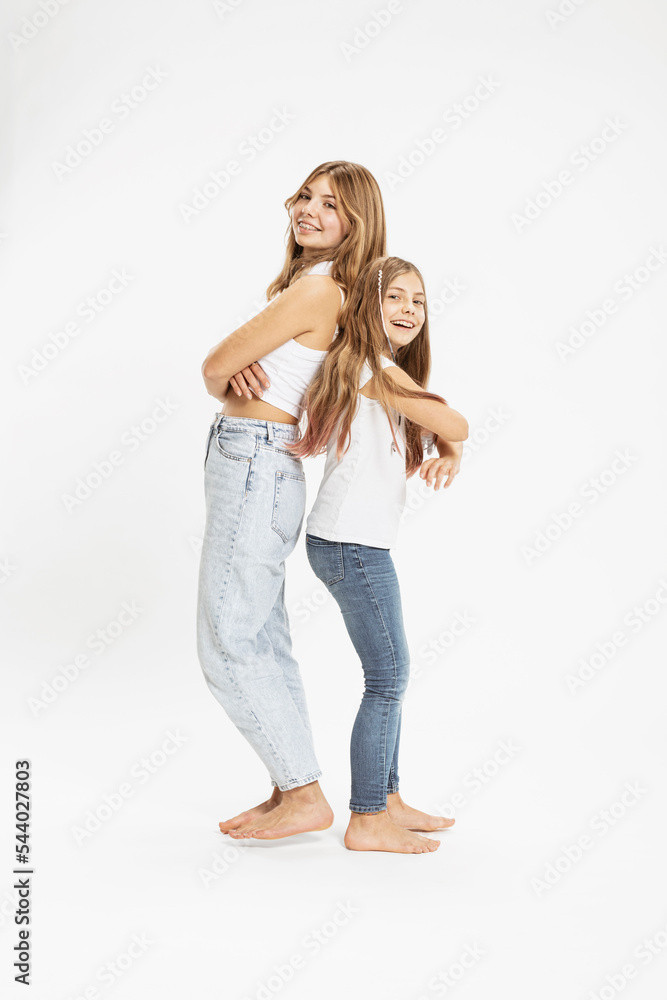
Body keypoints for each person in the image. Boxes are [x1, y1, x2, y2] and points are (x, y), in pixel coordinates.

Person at [197, 161, 387, 840]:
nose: (307, 210)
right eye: (305, 196)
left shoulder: (316, 291)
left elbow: (215, 366)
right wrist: (229, 383)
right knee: (260, 636)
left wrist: (224, 380)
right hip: (256, 459)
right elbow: (229, 376)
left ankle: (305, 795)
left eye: (329, 205)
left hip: (253, 460)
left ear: (354, 224)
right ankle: (288, 787)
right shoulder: (317, 286)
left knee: (228, 636)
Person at [294, 255, 469, 853]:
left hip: (357, 542)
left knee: (391, 675)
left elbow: (448, 429)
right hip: (349, 543)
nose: (408, 310)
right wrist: (454, 441)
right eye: (396, 297)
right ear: (369, 307)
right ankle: (368, 816)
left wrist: (452, 450)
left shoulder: (386, 369)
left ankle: (388, 797)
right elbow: (456, 420)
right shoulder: (371, 367)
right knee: (388, 676)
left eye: (418, 301)